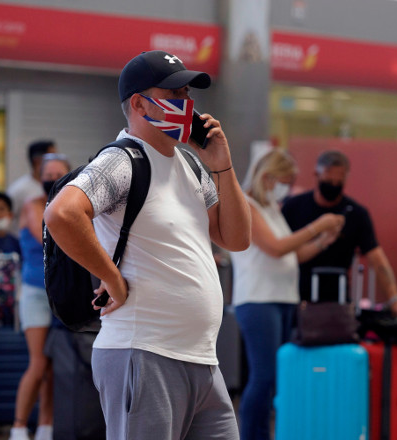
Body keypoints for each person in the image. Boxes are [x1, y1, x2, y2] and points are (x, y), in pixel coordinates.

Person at [44, 50, 251, 440]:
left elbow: (236, 238)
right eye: (174, 93)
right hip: (144, 353)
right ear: (139, 103)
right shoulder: (122, 161)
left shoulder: (190, 164)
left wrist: (222, 164)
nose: (186, 104)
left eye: (188, 92)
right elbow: (61, 214)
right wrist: (112, 278)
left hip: (201, 359)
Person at [230, 150, 343, 440]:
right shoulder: (247, 204)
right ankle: (252, 435)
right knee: (264, 374)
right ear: (267, 176)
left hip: (283, 298)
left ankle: (266, 432)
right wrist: (317, 226)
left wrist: (322, 241)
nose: (289, 186)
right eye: (286, 180)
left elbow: (292, 254)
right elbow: (276, 248)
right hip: (258, 300)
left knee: (277, 375)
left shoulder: (272, 208)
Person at [281, 150, 397, 318]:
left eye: (339, 180)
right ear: (316, 175)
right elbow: (286, 252)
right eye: (329, 179)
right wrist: (319, 234)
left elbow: (377, 257)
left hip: (338, 296)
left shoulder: (355, 213)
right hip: (296, 295)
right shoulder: (293, 207)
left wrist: (394, 296)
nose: (333, 184)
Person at [9, 154, 71, 440]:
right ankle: (19, 425)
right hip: (35, 291)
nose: (53, 178)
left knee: (54, 363)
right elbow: (46, 235)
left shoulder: (72, 207)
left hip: (59, 293)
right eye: (49, 173)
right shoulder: (33, 206)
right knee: (37, 362)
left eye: (60, 173)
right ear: (39, 177)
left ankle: (47, 424)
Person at [7, 140, 57, 227]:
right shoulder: (18, 190)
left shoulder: (58, 186)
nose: (56, 161)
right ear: (37, 161)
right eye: (52, 157)